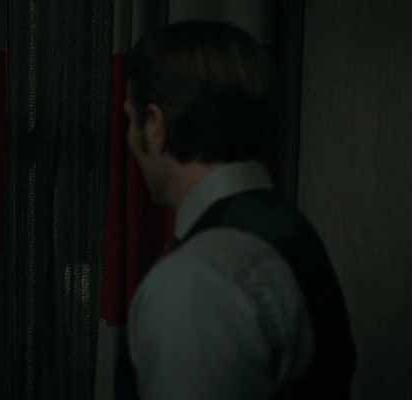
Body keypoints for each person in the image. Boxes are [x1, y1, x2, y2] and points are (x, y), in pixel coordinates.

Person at [116, 20, 356, 399]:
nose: (129, 138)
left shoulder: (200, 279)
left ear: (157, 125)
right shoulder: (288, 226)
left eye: (131, 120)